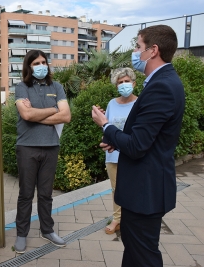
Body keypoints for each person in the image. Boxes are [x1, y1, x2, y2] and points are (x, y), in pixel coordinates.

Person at [92, 25, 185, 266]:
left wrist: (106, 126)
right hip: (145, 190)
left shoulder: (161, 86)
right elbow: (147, 138)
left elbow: (137, 145)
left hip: (145, 192)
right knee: (134, 251)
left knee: (143, 255)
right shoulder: (162, 82)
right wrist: (116, 142)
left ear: (153, 50)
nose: (135, 52)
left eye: (138, 46)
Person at [14, 50, 71, 253]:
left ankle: (47, 230)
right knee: (26, 194)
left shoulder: (56, 87)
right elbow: (26, 114)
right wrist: (54, 109)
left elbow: (66, 116)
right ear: (29, 66)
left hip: (51, 147)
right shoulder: (22, 87)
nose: (41, 66)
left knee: (46, 194)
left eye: (44, 62)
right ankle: (21, 234)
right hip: (27, 147)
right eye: (36, 63)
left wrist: (36, 115)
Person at [104, 68, 138, 235]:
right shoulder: (112, 104)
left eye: (126, 81)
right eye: (120, 82)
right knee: (116, 189)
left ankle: (133, 219)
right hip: (113, 155)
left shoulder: (140, 103)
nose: (124, 84)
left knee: (134, 188)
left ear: (134, 83)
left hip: (132, 155)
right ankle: (117, 218)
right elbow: (107, 128)